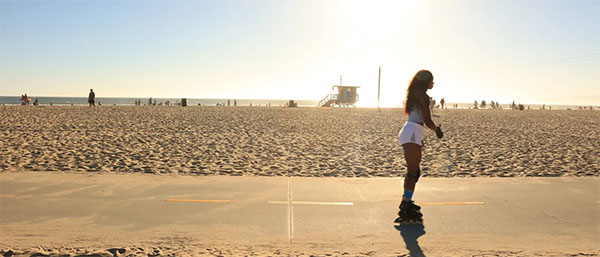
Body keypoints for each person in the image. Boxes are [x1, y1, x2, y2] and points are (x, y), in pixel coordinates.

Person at [395, 70, 443, 225]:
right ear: (425, 82)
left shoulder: (414, 94)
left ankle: (406, 201)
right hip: (412, 132)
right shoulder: (423, 97)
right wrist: (437, 130)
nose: (433, 84)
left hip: (412, 132)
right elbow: (427, 120)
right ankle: (406, 204)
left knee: (414, 172)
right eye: (432, 81)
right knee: (413, 172)